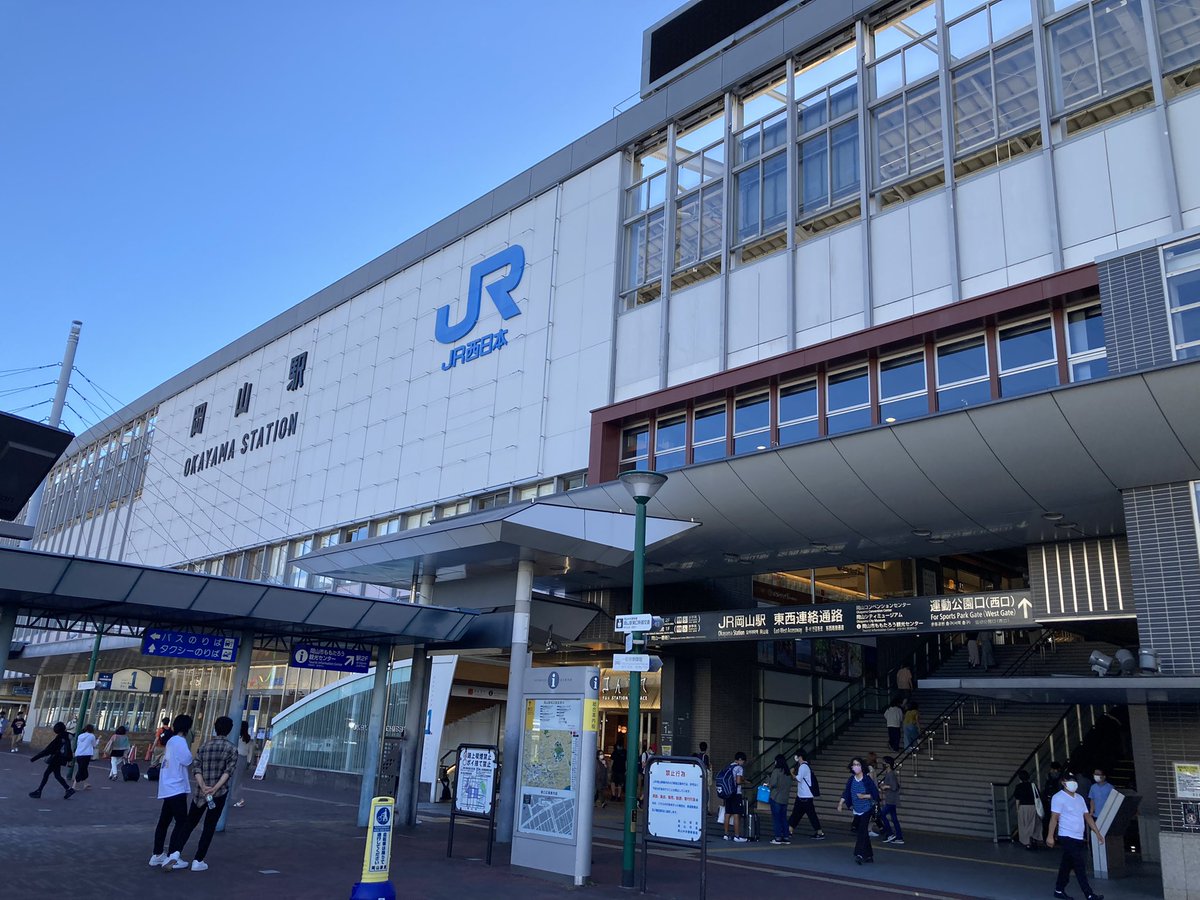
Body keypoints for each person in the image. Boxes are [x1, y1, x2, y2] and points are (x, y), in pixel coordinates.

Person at [178, 715, 238, 872]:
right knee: (209, 826)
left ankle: (175, 853)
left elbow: (196, 767)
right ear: (230, 730)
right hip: (218, 793)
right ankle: (198, 859)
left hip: (200, 792)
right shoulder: (231, 748)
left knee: (189, 823)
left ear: (215, 728)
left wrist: (203, 785)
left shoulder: (205, 746)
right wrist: (215, 787)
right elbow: (228, 772)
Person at [1046, 772, 1105, 900]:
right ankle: (1088, 894)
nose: (1073, 783)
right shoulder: (1058, 797)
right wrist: (1050, 835)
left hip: (1078, 836)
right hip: (1066, 835)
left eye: (1074, 780)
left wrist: (1097, 832)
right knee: (1079, 864)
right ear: (1063, 782)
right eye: (1070, 780)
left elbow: (1087, 816)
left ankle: (1059, 889)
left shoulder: (1079, 798)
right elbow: (1054, 818)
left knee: (1066, 865)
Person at [149, 714, 195, 871]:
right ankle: (173, 855)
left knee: (164, 821)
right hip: (177, 786)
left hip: (167, 786)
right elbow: (187, 759)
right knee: (182, 822)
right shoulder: (180, 742)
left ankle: (157, 854)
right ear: (187, 728)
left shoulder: (171, 741)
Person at [837, 756, 879, 864]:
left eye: (858, 764)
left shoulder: (866, 779)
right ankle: (869, 856)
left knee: (861, 831)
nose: (856, 767)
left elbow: (875, 794)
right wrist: (840, 803)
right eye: (854, 765)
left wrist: (864, 796)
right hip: (857, 809)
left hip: (866, 809)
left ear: (862, 766)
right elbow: (846, 792)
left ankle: (859, 854)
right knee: (863, 832)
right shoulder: (851, 779)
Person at [29, 721, 75, 799]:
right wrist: (69, 760)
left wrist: (35, 758)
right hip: (61, 759)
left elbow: (48, 750)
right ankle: (68, 789)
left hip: (55, 758)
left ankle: (39, 791)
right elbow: (70, 750)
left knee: (47, 774)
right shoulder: (67, 737)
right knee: (57, 775)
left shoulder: (59, 738)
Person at [789, 748, 825, 839]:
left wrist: (791, 773)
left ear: (800, 757)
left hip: (804, 796)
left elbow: (798, 778)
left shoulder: (803, 766)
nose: (796, 757)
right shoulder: (805, 766)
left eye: (797, 756)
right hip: (803, 796)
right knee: (799, 814)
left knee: (801, 814)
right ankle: (790, 829)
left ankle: (819, 832)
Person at [722, 751, 749, 842]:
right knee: (737, 814)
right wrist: (744, 782)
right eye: (743, 761)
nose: (743, 763)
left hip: (728, 793)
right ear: (740, 760)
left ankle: (726, 834)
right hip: (736, 793)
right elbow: (738, 781)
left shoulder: (729, 766)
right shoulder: (739, 768)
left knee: (728, 813)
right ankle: (737, 836)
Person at [1014, 769, 1043, 850]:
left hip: (1023, 807)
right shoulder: (1033, 785)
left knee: (1024, 825)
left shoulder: (1018, 786)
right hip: (1033, 807)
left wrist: (1017, 809)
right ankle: (1035, 838)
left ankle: (1027, 842)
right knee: (1034, 823)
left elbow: (1017, 799)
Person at [878, 756, 904, 845]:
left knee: (881, 814)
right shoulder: (890, 773)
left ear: (888, 764)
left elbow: (895, 786)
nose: (882, 764)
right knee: (894, 818)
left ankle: (890, 834)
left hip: (891, 799)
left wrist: (885, 786)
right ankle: (899, 837)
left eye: (883, 762)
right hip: (892, 799)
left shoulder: (890, 774)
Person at [766, 754, 791, 844]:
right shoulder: (787, 772)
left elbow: (773, 783)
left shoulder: (776, 771)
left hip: (776, 798)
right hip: (785, 799)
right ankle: (786, 837)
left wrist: (768, 782)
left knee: (776, 818)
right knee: (783, 818)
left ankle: (778, 837)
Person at [230, 721, 254, 808]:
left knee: (233, 779)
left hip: (237, 758)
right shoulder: (248, 738)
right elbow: (250, 751)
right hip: (243, 759)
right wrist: (248, 762)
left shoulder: (237, 737)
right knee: (238, 779)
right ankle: (237, 798)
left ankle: (238, 798)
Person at [73, 723, 98, 790]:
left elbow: (78, 744)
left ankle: (85, 783)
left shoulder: (80, 736)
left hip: (78, 754)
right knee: (82, 769)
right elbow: (94, 745)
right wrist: (98, 740)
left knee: (83, 768)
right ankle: (74, 785)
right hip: (86, 754)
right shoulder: (92, 736)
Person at [610, 737, 626, 802]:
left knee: (613, 782)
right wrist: (626, 769)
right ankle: (619, 796)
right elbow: (626, 761)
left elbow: (612, 761)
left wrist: (609, 769)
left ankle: (613, 795)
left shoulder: (614, 752)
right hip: (622, 770)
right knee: (620, 783)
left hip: (615, 769)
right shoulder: (625, 752)